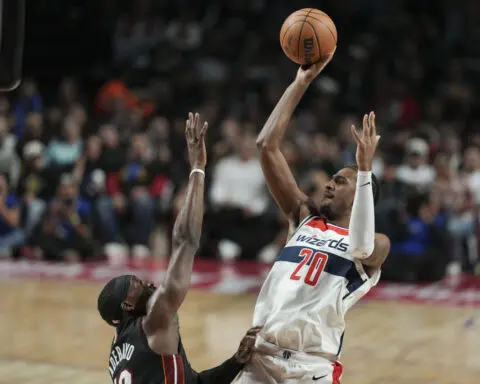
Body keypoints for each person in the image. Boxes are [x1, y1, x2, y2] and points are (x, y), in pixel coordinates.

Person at [234, 58, 391, 383]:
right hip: (259, 354)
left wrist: (363, 170)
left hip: (311, 368)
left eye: (340, 181)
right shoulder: (305, 218)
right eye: (331, 178)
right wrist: (301, 82)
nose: (329, 184)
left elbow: (360, 247)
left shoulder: (378, 242)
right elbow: (266, 146)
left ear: (361, 196)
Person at [97, 113, 260, 384]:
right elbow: (185, 241)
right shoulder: (154, 321)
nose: (148, 282)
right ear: (128, 304)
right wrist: (198, 167)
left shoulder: (119, 349)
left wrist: (235, 363)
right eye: (137, 284)